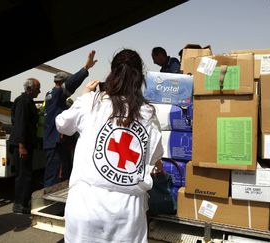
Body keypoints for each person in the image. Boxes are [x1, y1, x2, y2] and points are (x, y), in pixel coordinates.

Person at [55, 49, 164, 243]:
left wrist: (84, 95)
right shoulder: (148, 114)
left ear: (112, 74)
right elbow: (154, 156)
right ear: (140, 78)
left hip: (86, 209)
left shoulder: (92, 103)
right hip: (128, 216)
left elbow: (62, 124)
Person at [43, 50, 97, 188]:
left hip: (52, 141)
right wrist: (85, 68)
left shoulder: (50, 95)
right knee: (58, 175)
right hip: (57, 143)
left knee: (53, 173)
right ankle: (50, 205)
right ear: (62, 83)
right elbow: (72, 84)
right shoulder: (57, 93)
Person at [9, 77, 41, 214]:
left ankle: (22, 203)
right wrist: (22, 145)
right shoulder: (23, 102)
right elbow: (20, 124)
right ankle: (20, 205)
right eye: (37, 89)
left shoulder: (27, 101)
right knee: (23, 175)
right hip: (22, 145)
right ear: (29, 89)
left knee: (25, 174)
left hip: (25, 143)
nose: (39, 92)